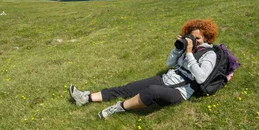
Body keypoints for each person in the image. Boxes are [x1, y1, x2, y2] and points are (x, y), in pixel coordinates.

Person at [69, 18, 220, 119]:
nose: (195, 41)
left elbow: (201, 78)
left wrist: (189, 53)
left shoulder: (209, 54)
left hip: (180, 91)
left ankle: (119, 107)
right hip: (165, 78)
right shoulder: (189, 47)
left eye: (198, 38)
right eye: (192, 37)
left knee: (152, 91)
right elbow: (169, 64)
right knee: (127, 88)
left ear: (207, 38)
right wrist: (178, 48)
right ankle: (86, 98)